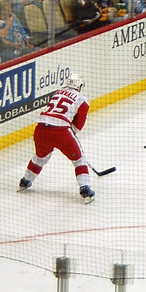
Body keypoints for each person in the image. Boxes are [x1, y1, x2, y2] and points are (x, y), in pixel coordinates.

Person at [18, 73, 96, 203]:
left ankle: (25, 181)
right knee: (79, 160)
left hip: (41, 129)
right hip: (61, 131)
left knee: (40, 158)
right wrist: (69, 137)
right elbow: (78, 125)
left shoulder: (57, 92)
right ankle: (85, 189)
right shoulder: (82, 99)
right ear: (80, 86)